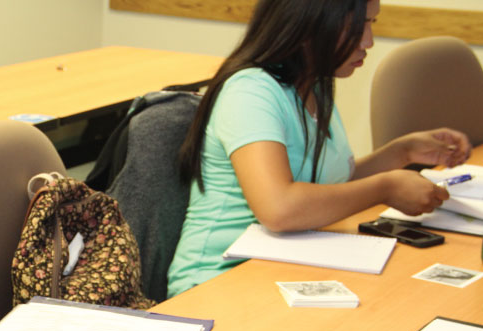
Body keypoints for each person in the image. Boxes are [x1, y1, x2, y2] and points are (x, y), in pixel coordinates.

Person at [166, 0, 472, 296]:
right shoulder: (250, 91)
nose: (368, 41)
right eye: (357, 26)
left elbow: (328, 188)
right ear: (310, 22)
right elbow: (279, 208)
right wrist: (385, 187)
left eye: (371, 23)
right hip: (215, 281)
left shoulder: (314, 84)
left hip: (284, 264)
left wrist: (401, 153)